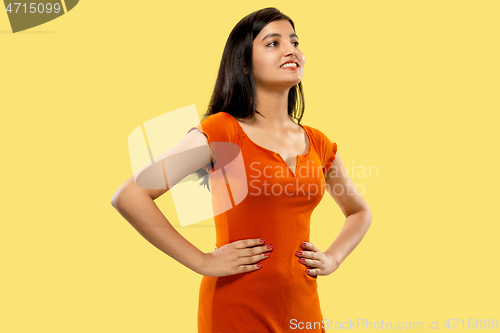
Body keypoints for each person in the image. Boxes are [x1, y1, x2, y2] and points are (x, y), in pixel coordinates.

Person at [111, 7, 372, 333]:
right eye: (273, 43)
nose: (291, 50)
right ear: (245, 65)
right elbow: (130, 196)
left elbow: (359, 212)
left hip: (303, 312)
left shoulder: (318, 142)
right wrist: (203, 262)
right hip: (235, 310)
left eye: (294, 41)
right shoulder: (222, 131)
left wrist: (333, 258)